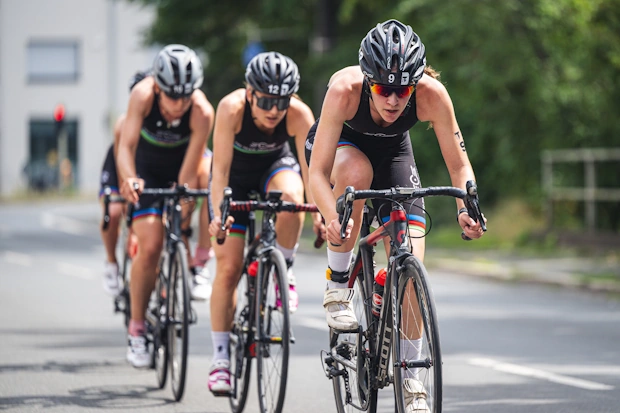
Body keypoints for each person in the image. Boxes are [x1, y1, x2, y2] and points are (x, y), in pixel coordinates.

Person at [306, 19, 487, 412]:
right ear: (368, 81)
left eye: (402, 90)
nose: (392, 100)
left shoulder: (432, 95)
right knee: (356, 174)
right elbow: (316, 174)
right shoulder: (344, 90)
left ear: (416, 83)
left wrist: (465, 208)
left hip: (394, 155)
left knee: (410, 271)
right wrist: (330, 215)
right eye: (383, 89)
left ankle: (413, 382)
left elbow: (460, 167)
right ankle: (338, 285)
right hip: (342, 150)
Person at [207, 51, 322, 394]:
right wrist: (218, 215)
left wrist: (317, 212)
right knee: (228, 268)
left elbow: (311, 172)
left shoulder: (299, 114)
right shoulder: (230, 109)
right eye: (267, 101)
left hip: (275, 169)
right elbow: (220, 173)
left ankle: (283, 268)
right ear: (249, 93)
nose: (274, 110)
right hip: (235, 181)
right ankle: (221, 360)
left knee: (291, 199)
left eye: (282, 101)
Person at [116, 44, 215, 368]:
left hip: (181, 168)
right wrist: (130, 179)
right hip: (145, 171)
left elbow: (192, 166)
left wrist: (183, 204)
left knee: (209, 175)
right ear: (157, 86)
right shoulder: (142, 96)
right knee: (151, 244)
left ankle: (199, 261)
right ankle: (137, 329)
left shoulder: (201, 111)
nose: (178, 104)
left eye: (185, 96)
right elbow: (126, 147)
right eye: (172, 96)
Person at [99, 70, 214, 302]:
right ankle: (111, 262)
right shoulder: (125, 124)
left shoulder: (191, 113)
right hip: (130, 161)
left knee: (186, 203)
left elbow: (192, 170)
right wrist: (133, 230)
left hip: (167, 161)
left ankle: (195, 262)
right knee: (114, 211)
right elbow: (126, 166)